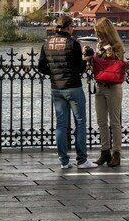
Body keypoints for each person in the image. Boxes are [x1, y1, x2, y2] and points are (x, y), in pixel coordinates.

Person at [38, 15, 97, 170]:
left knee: (61, 125)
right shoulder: (73, 43)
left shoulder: (47, 43)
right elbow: (79, 68)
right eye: (72, 26)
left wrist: (54, 73)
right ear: (69, 27)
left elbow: (41, 67)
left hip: (56, 88)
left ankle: (64, 161)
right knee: (80, 122)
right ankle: (82, 160)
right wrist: (85, 59)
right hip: (73, 87)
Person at [90, 17, 126, 168]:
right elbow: (97, 64)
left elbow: (116, 62)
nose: (98, 36)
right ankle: (105, 151)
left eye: (100, 33)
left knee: (115, 122)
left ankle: (116, 153)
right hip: (100, 85)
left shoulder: (117, 45)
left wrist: (108, 50)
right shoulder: (99, 44)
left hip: (113, 87)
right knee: (101, 121)